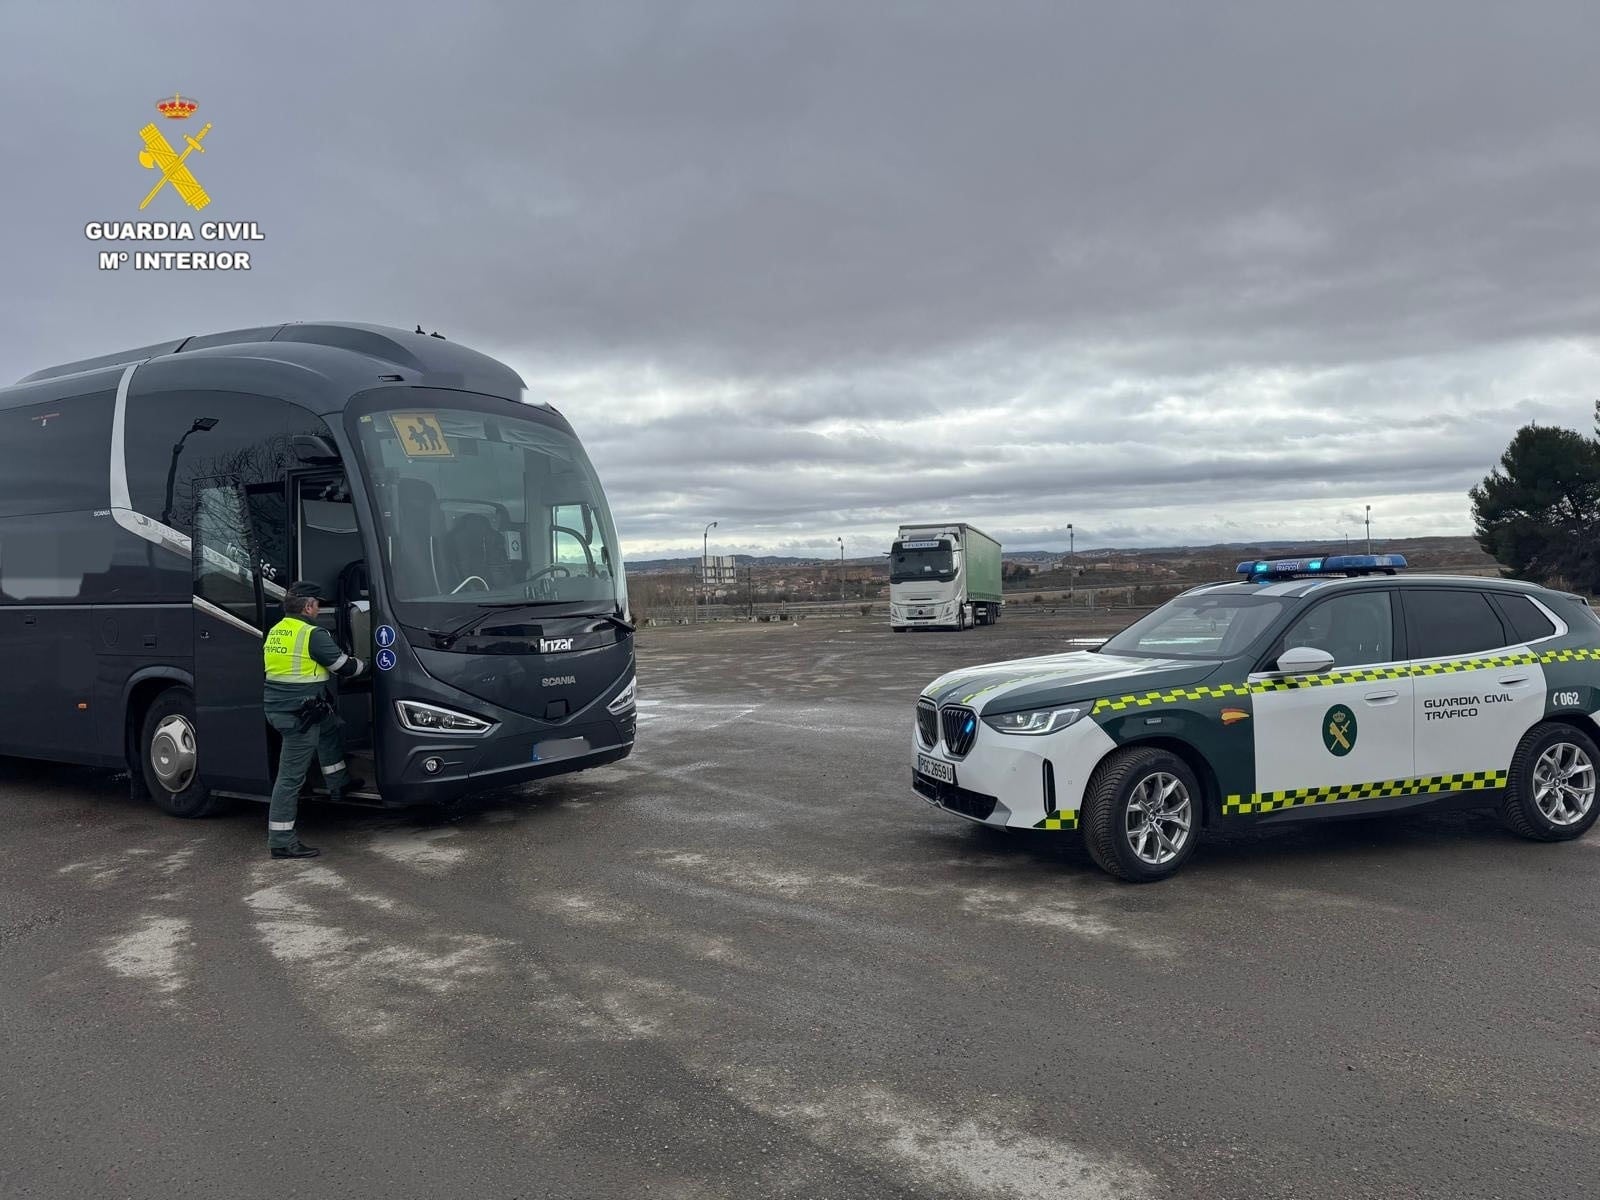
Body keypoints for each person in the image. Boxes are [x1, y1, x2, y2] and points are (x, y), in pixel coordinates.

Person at [262, 581, 368, 858]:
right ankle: (282, 840)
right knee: (290, 777)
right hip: (299, 714)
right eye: (318, 604)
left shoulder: (277, 630)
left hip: (283, 707)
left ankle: (339, 783)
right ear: (308, 606)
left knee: (329, 729)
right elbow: (343, 667)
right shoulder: (312, 633)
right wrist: (368, 663)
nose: (319, 608)